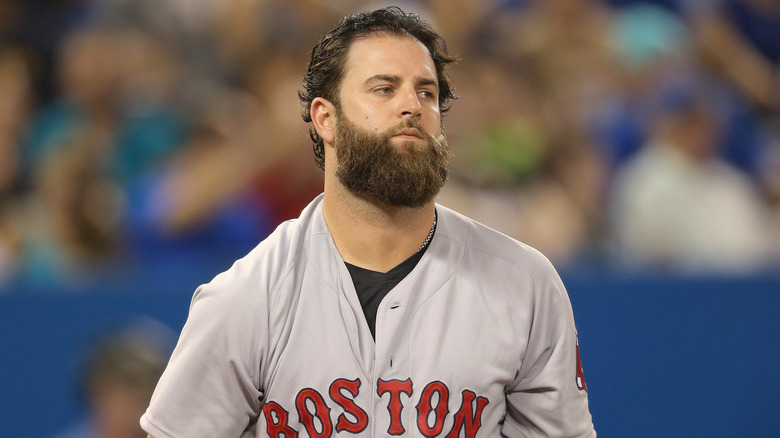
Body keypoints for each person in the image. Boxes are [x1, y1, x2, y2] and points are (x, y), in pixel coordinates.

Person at [141, 7, 596, 437]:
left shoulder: (523, 284)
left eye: (427, 92)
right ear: (326, 118)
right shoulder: (246, 297)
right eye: (384, 88)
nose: (412, 106)